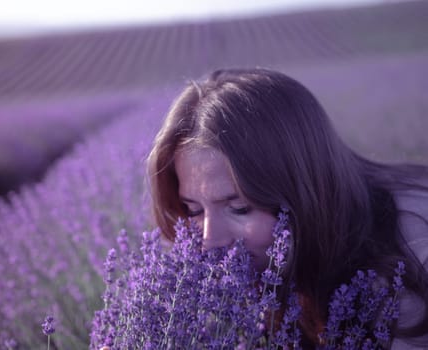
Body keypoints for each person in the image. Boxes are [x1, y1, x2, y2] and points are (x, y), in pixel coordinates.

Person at [146, 68, 428, 348]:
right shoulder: (253, 267)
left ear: (303, 191)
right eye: (194, 210)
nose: (209, 241)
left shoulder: (411, 267)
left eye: (240, 208)